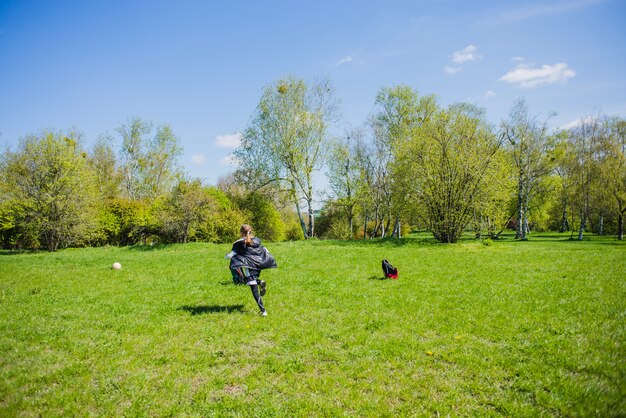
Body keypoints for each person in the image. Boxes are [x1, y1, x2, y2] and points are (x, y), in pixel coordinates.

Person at [226, 224, 277, 316]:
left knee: (254, 291)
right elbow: (265, 250)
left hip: (249, 268)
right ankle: (259, 282)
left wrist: (226, 256)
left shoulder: (239, 243)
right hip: (258, 266)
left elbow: (230, 255)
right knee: (249, 280)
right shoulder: (256, 241)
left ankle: (264, 311)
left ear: (241, 232)